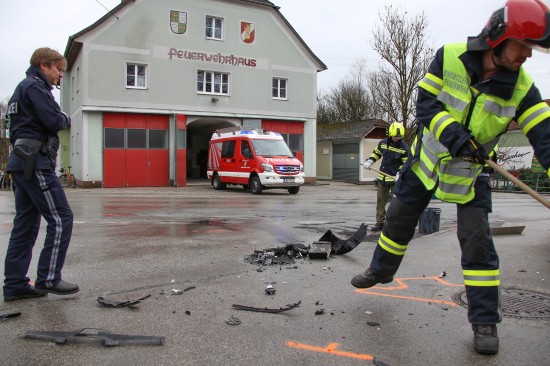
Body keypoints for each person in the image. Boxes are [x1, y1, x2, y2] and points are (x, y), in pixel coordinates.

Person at [351, 0, 550, 355]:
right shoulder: (450, 56)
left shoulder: (523, 89)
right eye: (524, 46)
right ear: (499, 36)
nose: (527, 56)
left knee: (477, 243)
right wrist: (458, 138)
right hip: (425, 162)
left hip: (470, 175)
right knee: (396, 220)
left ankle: (485, 321)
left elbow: (546, 138)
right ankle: (380, 271)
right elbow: (426, 103)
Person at [3, 47, 79, 302]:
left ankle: (14, 284)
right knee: (61, 217)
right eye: (58, 70)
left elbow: (12, 129)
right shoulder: (36, 88)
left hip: (21, 162)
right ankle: (49, 277)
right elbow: (53, 121)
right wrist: (65, 117)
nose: (60, 76)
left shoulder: (20, 89)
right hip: (36, 163)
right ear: (44, 65)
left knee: (25, 225)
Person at [363, 122, 410, 232]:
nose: (396, 138)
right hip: (382, 178)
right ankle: (380, 223)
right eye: (395, 136)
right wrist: (370, 161)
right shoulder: (383, 143)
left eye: (399, 137)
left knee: (395, 203)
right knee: (380, 201)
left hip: (395, 180)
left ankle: (394, 223)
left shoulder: (404, 148)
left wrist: (400, 173)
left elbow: (405, 164)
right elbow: (376, 153)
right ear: (390, 134)